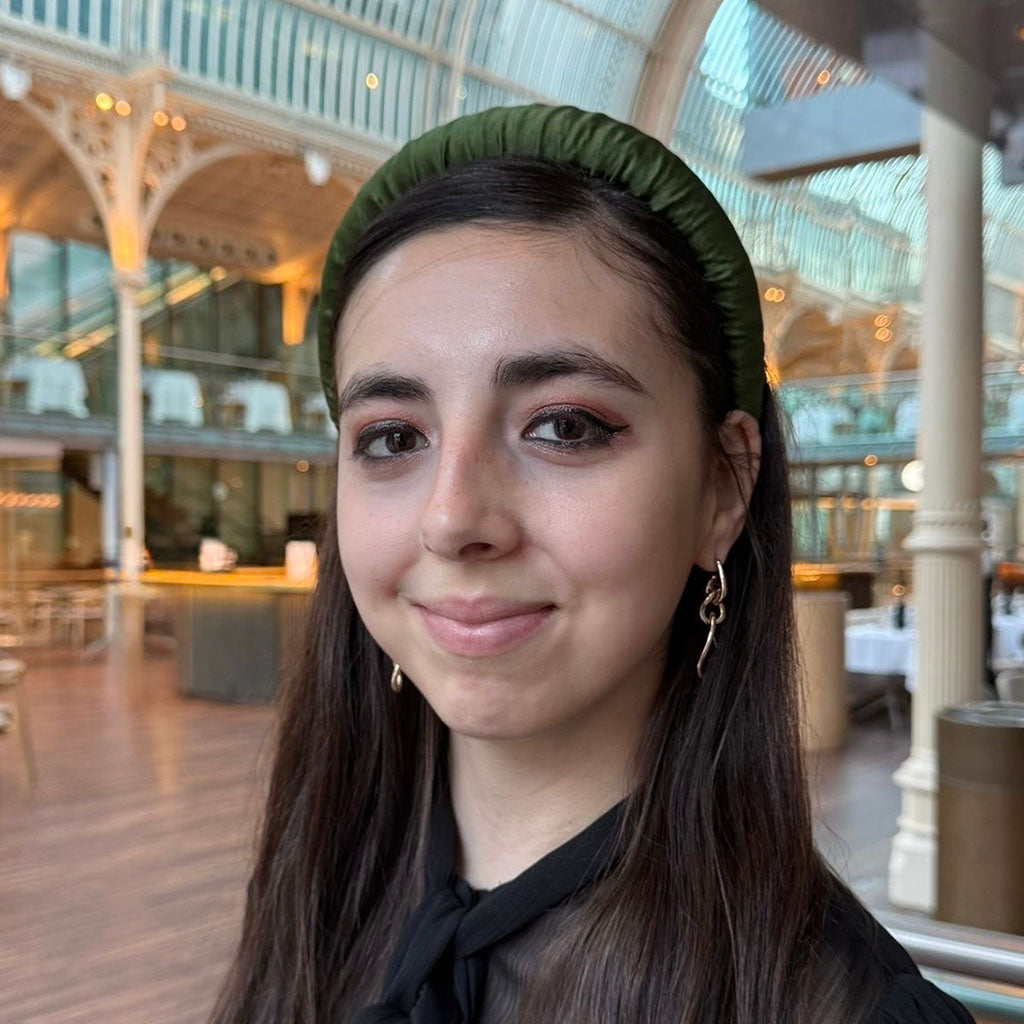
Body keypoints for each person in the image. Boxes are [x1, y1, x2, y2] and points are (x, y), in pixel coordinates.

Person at [209, 106, 974, 1024]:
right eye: (393, 437)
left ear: (723, 489)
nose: (453, 519)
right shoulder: (323, 883)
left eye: (564, 427)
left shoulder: (840, 1009)